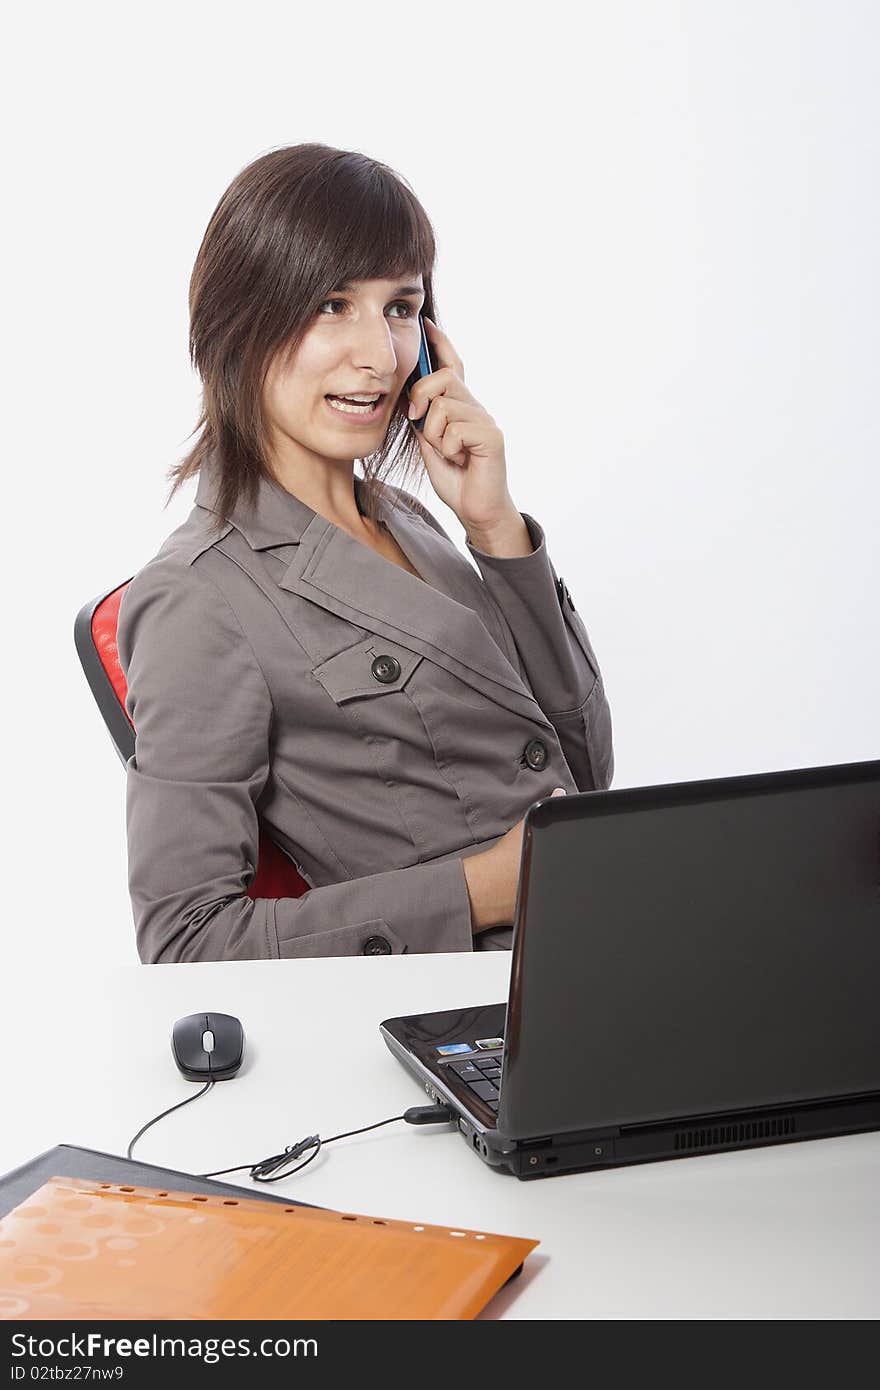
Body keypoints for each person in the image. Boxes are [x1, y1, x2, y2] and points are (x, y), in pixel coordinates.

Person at [117, 142, 614, 963]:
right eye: (330, 306)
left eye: (400, 307)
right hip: (490, 1002)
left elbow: (587, 778)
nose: (379, 357)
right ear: (239, 322)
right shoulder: (200, 593)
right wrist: (482, 885)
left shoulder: (414, 520)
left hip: (600, 935)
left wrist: (497, 533)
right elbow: (185, 940)